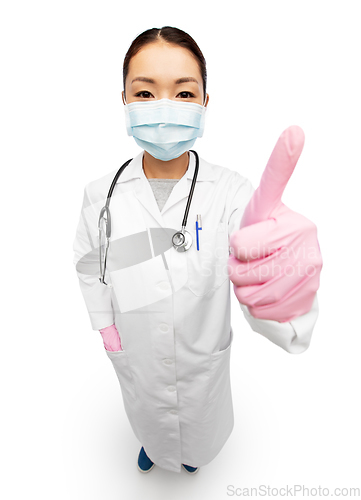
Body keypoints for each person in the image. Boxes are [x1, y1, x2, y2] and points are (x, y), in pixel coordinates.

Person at [73, 26, 322, 475]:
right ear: (124, 102)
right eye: (145, 93)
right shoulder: (100, 195)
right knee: (147, 408)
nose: (164, 108)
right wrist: (105, 327)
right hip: (137, 350)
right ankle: (154, 443)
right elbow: (90, 264)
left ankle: (193, 457)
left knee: (199, 430)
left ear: (206, 104)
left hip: (200, 357)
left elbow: (258, 260)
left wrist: (285, 284)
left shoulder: (231, 193)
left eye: (184, 94)